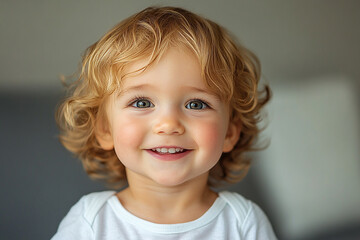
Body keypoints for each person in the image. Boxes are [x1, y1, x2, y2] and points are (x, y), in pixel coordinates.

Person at [52, 6, 277, 239]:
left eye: (196, 104)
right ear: (105, 128)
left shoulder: (243, 222)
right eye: (141, 103)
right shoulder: (91, 222)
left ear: (230, 132)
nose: (169, 124)